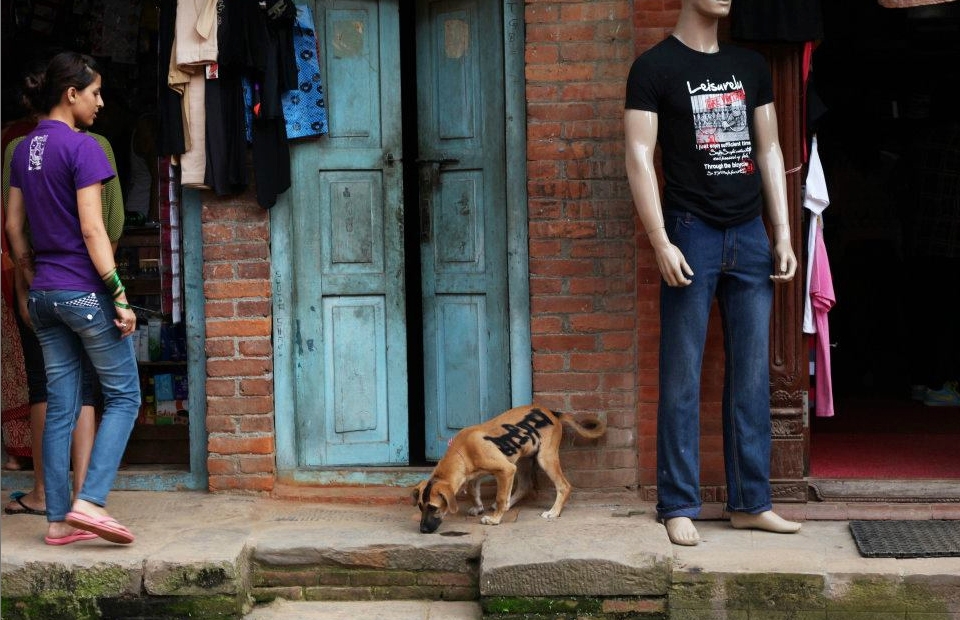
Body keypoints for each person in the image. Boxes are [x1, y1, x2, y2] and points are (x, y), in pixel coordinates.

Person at [624, 0, 802, 546]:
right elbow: (636, 153)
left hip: (749, 232)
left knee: (749, 375)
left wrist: (784, 232)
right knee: (682, 372)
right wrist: (660, 240)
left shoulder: (749, 66)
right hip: (691, 230)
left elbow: (769, 149)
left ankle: (751, 502)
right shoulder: (654, 67)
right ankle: (677, 503)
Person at [5, 51, 140, 545]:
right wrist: (120, 294)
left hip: (43, 296)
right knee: (125, 396)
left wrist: (31, 276)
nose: (100, 103)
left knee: (60, 405)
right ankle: (92, 501)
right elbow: (93, 227)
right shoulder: (86, 149)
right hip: (84, 293)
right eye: (96, 93)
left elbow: (14, 229)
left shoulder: (22, 149)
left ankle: (59, 521)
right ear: (71, 94)